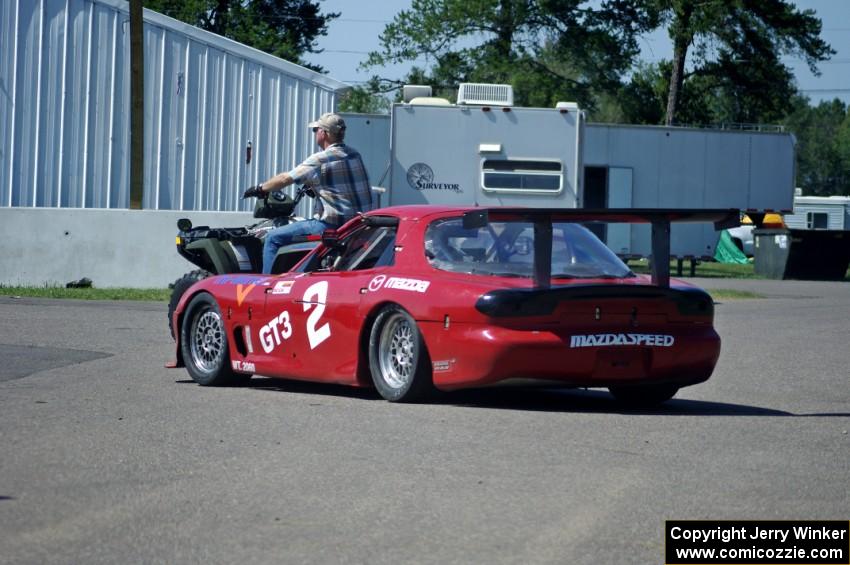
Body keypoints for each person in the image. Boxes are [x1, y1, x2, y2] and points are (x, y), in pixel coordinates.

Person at [243, 112, 373, 274]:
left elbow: (285, 178)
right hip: (358, 225)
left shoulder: (321, 158)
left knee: (272, 238)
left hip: (332, 226)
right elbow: (341, 184)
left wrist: (259, 188)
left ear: (323, 133)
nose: (315, 133)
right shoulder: (354, 154)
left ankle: (267, 287)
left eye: (315, 130)